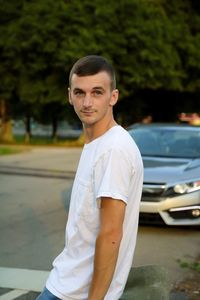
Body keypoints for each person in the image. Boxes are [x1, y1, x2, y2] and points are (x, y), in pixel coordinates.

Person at [37, 55, 143, 300]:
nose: (87, 102)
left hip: (75, 294)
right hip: (66, 280)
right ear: (69, 96)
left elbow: (111, 235)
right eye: (79, 93)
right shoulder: (97, 144)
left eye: (97, 92)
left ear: (112, 97)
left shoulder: (114, 150)